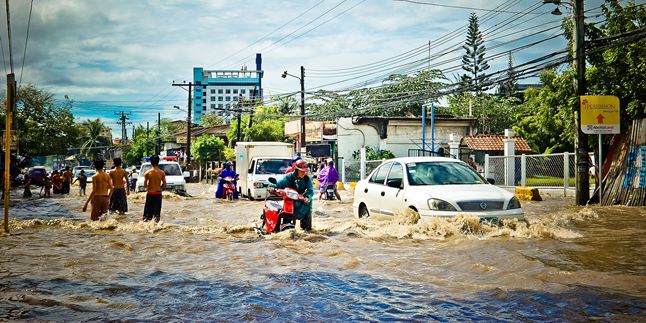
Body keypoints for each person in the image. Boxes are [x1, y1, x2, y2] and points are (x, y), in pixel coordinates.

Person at [268, 159, 314, 231]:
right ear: (296, 169)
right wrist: (272, 187)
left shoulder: (307, 179)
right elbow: (279, 184)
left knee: (307, 229)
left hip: (304, 202)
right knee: (287, 224)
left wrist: (307, 197)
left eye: (304, 171)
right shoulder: (289, 177)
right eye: (301, 171)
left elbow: (310, 190)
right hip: (291, 201)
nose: (303, 173)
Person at [143, 155, 167, 223]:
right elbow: (165, 185)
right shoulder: (162, 173)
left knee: (147, 217)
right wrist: (160, 188)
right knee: (157, 215)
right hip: (158, 194)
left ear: (150, 162)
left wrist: (150, 187)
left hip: (150, 194)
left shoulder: (147, 173)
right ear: (158, 162)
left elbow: (145, 186)